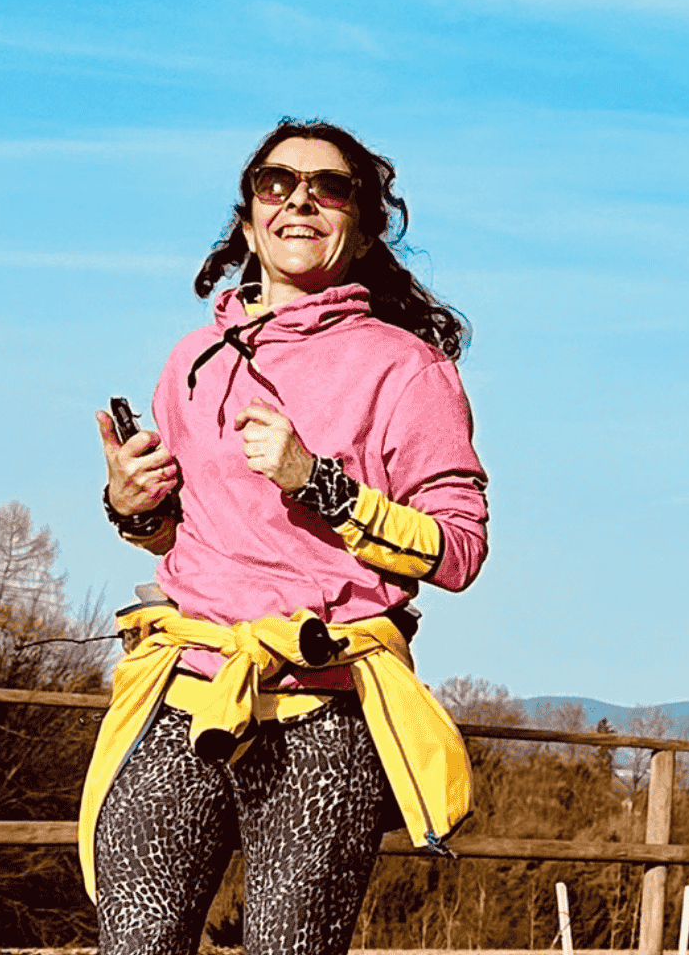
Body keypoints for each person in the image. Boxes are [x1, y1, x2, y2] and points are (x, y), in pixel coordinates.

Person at [79, 119, 489, 955]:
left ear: (363, 229)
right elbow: (177, 538)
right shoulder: (193, 359)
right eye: (276, 183)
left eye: (329, 188)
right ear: (247, 219)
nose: (300, 200)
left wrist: (320, 482)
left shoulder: (409, 369)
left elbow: (458, 551)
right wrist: (133, 504)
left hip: (323, 714)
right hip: (181, 692)